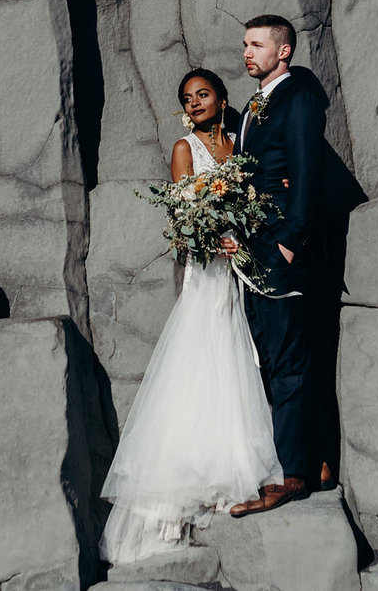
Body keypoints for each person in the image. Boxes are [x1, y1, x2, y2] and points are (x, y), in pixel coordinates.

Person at [98, 69, 282, 564]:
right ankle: (197, 479)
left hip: (246, 263)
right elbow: (184, 217)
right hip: (209, 272)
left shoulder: (241, 142)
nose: (195, 103)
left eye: (203, 95)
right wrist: (213, 233)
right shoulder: (185, 149)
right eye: (187, 98)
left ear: (222, 99)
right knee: (206, 355)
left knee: (246, 354)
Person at [225, 14, 341, 516]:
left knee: (287, 361)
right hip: (257, 245)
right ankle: (313, 461)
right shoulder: (257, 102)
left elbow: (305, 171)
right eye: (245, 45)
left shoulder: (297, 97)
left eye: (256, 45)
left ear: (284, 50)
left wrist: (290, 241)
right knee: (276, 357)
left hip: (281, 249)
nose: (247, 53)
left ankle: (292, 475)